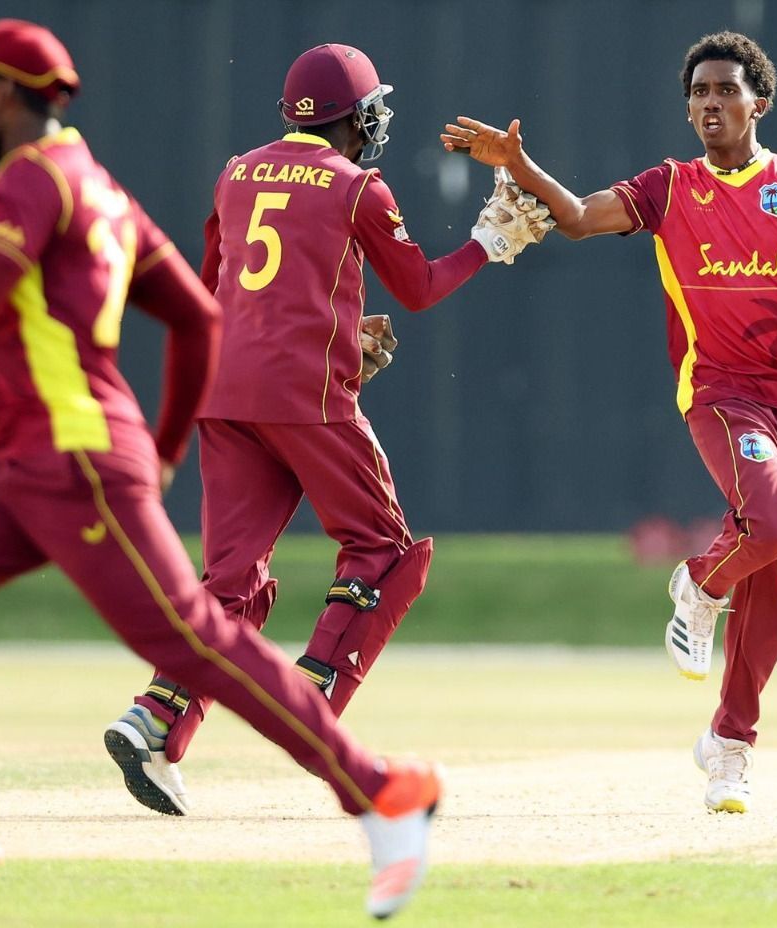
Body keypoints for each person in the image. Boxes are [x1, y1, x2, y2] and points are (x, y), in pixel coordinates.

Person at [0, 19, 440, 918]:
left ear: (7, 95)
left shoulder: (33, 182)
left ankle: (382, 793)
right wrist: (158, 453)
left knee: (196, 636)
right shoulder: (98, 187)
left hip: (72, 460)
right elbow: (201, 318)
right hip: (18, 462)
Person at [441, 31, 777, 814]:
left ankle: (728, 748)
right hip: (720, 392)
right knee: (773, 523)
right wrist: (517, 167)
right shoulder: (670, 186)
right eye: (699, 94)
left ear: (759, 101)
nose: (711, 105)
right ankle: (695, 583)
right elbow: (582, 220)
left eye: (726, 91)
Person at [103, 43, 548, 816]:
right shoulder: (357, 187)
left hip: (226, 392)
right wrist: (490, 244)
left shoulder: (238, 170)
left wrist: (338, 331)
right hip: (305, 399)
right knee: (383, 549)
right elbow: (417, 289)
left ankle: (152, 719)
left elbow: (222, 288)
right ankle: (310, 709)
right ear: (360, 118)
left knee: (229, 581)